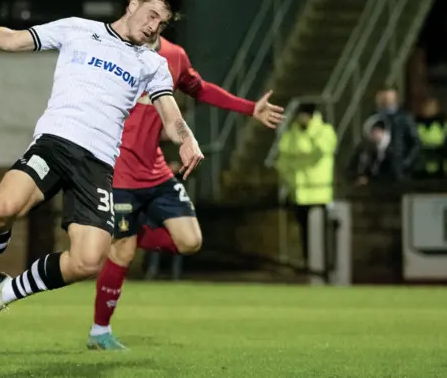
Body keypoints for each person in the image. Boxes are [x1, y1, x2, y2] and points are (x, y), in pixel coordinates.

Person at [0, 0, 204, 339]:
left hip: (97, 165)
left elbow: (170, 114)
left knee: (88, 261)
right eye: (152, 15)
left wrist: (186, 138)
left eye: (164, 22)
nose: (155, 27)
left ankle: (2, 293)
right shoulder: (78, 29)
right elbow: (14, 40)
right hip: (54, 143)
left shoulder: (152, 64)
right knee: (0, 212)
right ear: (133, 3)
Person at [87, 34, 285, 350]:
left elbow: (201, 89)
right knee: (121, 252)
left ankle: (130, 234)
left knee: (190, 241)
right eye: (150, 11)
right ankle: (99, 332)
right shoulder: (109, 53)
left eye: (162, 14)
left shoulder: (174, 55)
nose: (154, 21)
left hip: (155, 171)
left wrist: (249, 108)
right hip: (119, 174)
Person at [274, 103, 336, 265]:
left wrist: (312, 132)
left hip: (320, 194)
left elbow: (323, 150)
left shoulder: (324, 131)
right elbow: (283, 161)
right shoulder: (291, 135)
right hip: (299, 194)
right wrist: (289, 181)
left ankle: (326, 265)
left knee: (323, 234)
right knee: (305, 234)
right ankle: (310, 264)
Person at [374, 86, 421, 180]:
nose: (387, 101)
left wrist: (406, 162)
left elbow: (416, 143)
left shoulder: (405, 118)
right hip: (380, 168)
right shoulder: (376, 117)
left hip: (399, 169)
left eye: (390, 98)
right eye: (385, 98)